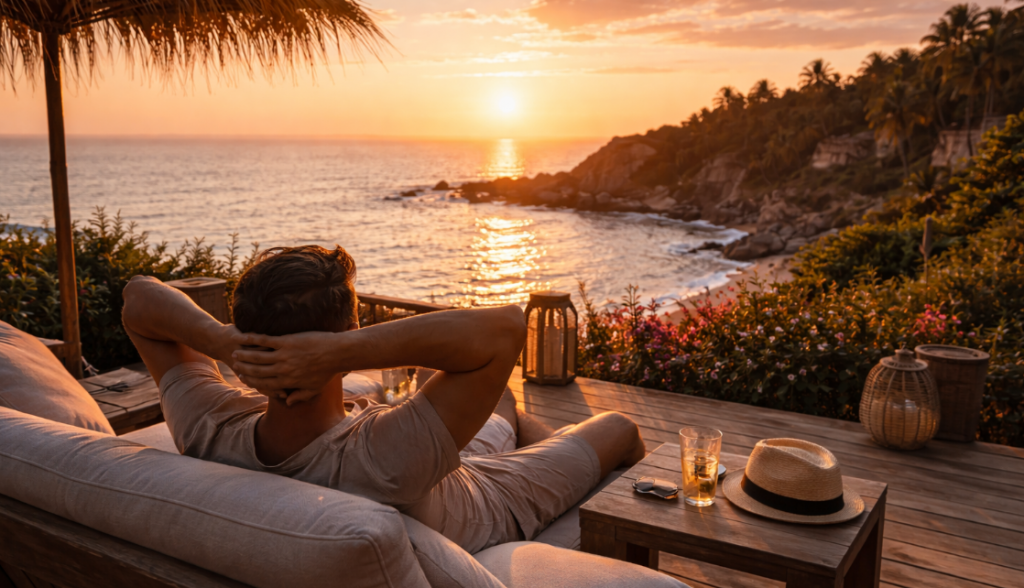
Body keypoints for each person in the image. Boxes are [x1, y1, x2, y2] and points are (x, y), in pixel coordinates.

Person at [121, 245, 645, 554]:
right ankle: (528, 448)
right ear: (343, 335)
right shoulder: (382, 457)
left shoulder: (209, 424)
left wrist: (223, 343)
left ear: (245, 328)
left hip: (436, 459)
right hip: (488, 498)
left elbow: (138, 295)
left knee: (498, 406)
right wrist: (342, 350)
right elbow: (507, 327)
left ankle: (514, 436)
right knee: (619, 426)